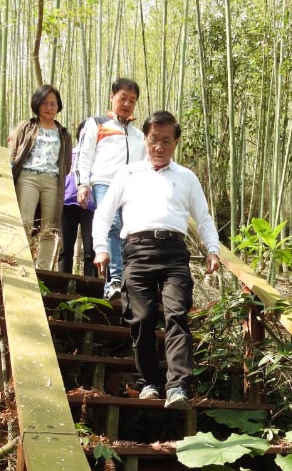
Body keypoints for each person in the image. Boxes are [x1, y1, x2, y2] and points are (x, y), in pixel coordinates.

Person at [92, 110, 220, 410]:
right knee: (142, 318)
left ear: (175, 143)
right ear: (145, 140)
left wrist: (212, 250)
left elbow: (203, 219)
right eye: (153, 140)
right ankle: (150, 382)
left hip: (174, 253)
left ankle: (178, 387)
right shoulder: (128, 174)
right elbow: (104, 214)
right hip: (137, 251)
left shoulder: (186, 177)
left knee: (177, 314)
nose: (159, 147)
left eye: (166, 141)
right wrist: (101, 248)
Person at [75, 77, 145, 298]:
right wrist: (83, 184)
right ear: (112, 97)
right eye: (123, 98)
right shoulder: (96, 123)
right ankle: (115, 280)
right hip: (105, 182)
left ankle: (120, 282)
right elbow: (84, 155)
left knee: (128, 231)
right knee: (112, 225)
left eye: (132, 100)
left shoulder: (138, 134)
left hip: (132, 186)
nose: (127, 104)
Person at [11, 85, 72, 270]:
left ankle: (43, 270)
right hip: (28, 177)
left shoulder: (64, 134)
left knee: (49, 228)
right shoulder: (26, 126)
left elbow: (67, 163)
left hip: (53, 181)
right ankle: (22, 264)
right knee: (25, 221)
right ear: (37, 103)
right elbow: (13, 154)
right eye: (45, 103)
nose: (49, 107)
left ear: (58, 106)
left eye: (53, 103)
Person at [58, 121, 96, 277]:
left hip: (91, 206)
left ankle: (90, 285)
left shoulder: (98, 157)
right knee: (65, 248)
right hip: (67, 204)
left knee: (91, 249)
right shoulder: (68, 153)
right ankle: (62, 283)